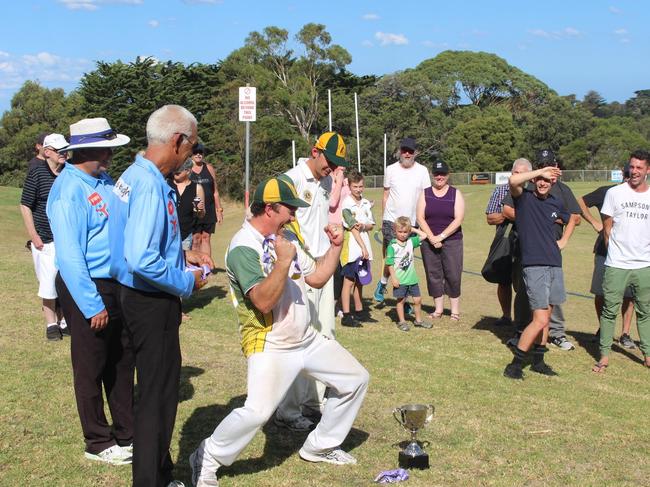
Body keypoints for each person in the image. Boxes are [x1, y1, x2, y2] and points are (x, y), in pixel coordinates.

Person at [189, 176, 369, 487]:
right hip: (270, 343)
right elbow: (262, 301)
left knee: (355, 379)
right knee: (257, 412)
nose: (294, 215)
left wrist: (336, 248)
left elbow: (316, 278)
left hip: (307, 340)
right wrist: (283, 263)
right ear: (270, 208)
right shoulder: (243, 247)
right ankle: (207, 457)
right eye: (290, 209)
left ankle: (320, 446)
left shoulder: (286, 237)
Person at [109, 105, 213, 487]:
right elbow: (140, 257)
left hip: (130, 295)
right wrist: (186, 281)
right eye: (192, 144)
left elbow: (132, 237)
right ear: (177, 140)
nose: (192, 152)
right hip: (150, 301)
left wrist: (179, 252)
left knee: (153, 391)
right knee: (157, 395)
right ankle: (150, 479)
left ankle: (159, 472)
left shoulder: (132, 175)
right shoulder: (151, 184)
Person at [46, 117, 135, 465]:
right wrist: (90, 304)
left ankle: (127, 432)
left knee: (121, 359)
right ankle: (97, 441)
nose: (112, 155)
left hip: (114, 283)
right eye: (106, 149)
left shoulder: (103, 179)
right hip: (87, 284)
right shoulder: (68, 190)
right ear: (87, 150)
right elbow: (69, 255)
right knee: (91, 365)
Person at [277, 132, 350, 429]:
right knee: (297, 338)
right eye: (329, 162)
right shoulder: (290, 179)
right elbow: (278, 225)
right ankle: (288, 410)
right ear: (314, 151)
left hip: (324, 267)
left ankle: (313, 402)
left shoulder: (325, 181)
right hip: (299, 272)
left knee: (324, 336)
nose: (331, 169)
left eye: (336, 165)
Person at [503, 149, 581, 351]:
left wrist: (563, 239)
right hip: (528, 250)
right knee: (524, 294)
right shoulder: (528, 189)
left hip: (552, 252)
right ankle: (521, 332)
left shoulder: (562, 191)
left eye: (550, 164)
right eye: (542, 164)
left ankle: (554, 335)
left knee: (551, 302)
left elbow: (574, 217)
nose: (546, 176)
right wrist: (532, 216)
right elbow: (510, 200)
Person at [503, 165, 568, 380]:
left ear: (553, 183)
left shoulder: (556, 202)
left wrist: (564, 240)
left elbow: (572, 219)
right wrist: (540, 172)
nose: (542, 183)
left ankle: (539, 361)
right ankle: (515, 365)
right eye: (539, 180)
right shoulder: (525, 198)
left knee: (547, 318)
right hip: (534, 265)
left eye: (547, 181)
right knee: (539, 319)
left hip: (554, 264)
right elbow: (513, 181)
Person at [592, 150, 650, 373]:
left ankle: (647, 354)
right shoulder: (614, 193)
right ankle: (604, 356)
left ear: (647, 170)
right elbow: (607, 230)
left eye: (639, 168)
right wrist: (616, 255)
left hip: (644, 265)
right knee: (609, 311)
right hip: (616, 264)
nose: (634, 171)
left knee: (645, 312)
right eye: (632, 167)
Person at [578, 165, 636, 348]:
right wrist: (595, 222)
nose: (628, 178)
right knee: (601, 291)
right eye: (626, 174)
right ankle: (603, 328)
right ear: (622, 175)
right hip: (605, 251)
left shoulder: (640, 196)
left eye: (632, 175)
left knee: (629, 295)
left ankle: (625, 333)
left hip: (631, 254)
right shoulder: (607, 192)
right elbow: (580, 201)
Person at [20, 133, 69, 341]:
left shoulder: (70, 172)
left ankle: (65, 320)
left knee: (67, 281)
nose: (65, 154)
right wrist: (34, 235)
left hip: (67, 238)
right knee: (48, 283)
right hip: (45, 239)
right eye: (60, 151)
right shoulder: (37, 172)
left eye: (66, 150)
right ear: (47, 152)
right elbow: (25, 205)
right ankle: (51, 324)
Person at [375, 137, 431, 304]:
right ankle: (394, 293)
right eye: (404, 150)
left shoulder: (422, 171)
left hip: (411, 223)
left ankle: (392, 290)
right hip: (391, 221)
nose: (407, 154)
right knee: (393, 258)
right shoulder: (390, 169)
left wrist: (421, 222)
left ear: (415, 153)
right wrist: (384, 219)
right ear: (400, 151)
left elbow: (425, 197)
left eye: (410, 151)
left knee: (405, 261)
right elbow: (385, 195)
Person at [484, 158, 532, 326]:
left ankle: (523, 319)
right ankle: (506, 316)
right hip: (505, 241)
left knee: (522, 283)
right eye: (514, 173)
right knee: (503, 281)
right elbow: (491, 217)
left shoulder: (534, 190)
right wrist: (507, 212)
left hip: (527, 242)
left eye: (520, 173)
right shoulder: (502, 190)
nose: (515, 176)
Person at [416, 160, 465, 321]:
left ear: (448, 175)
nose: (439, 177)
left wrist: (441, 237)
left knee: (453, 274)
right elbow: (420, 217)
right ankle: (438, 310)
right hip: (429, 241)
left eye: (442, 174)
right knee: (433, 274)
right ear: (432, 175)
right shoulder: (425, 193)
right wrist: (431, 237)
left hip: (452, 241)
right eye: (436, 174)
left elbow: (458, 219)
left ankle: (454, 311)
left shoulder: (455, 193)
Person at [340, 170, 375, 327]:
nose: (359, 189)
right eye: (355, 186)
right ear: (349, 185)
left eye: (361, 186)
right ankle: (346, 315)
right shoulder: (346, 204)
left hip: (364, 245)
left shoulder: (366, 203)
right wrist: (363, 248)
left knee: (360, 280)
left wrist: (365, 225)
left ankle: (360, 312)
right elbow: (352, 228)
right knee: (348, 281)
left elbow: (370, 225)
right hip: (352, 248)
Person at [386, 216, 430, 332]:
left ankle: (418, 321)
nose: (403, 234)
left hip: (412, 279)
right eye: (400, 232)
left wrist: (413, 230)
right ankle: (402, 321)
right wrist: (394, 279)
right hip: (400, 280)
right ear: (395, 231)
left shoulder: (411, 242)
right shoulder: (392, 246)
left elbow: (424, 236)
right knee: (401, 301)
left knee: (417, 300)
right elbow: (389, 264)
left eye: (405, 232)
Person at [189, 143, 222, 257]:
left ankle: (206, 266)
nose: (198, 154)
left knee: (206, 237)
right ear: (191, 154)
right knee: (196, 238)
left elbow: (215, 191)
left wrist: (219, 210)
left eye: (200, 152)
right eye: (195, 152)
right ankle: (196, 267)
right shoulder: (187, 169)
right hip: (194, 210)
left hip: (209, 209)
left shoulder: (209, 168)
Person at [169, 159, 206, 251]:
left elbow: (201, 215)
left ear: (188, 171)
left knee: (183, 263)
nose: (175, 172)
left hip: (185, 235)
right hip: (167, 233)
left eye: (179, 171)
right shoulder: (166, 184)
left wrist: (199, 210)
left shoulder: (197, 188)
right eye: (175, 170)